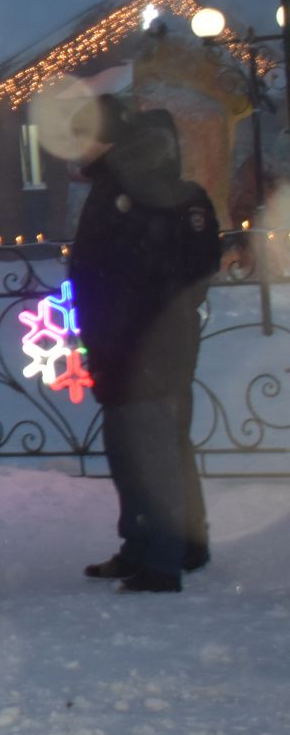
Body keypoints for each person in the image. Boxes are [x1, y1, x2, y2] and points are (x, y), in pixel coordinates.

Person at [70, 101, 221, 593]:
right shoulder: (157, 191)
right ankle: (164, 546)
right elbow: (197, 268)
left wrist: (125, 325)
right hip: (147, 340)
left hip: (136, 344)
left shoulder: (128, 191)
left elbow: (114, 271)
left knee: (145, 451)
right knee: (155, 445)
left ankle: (158, 556)